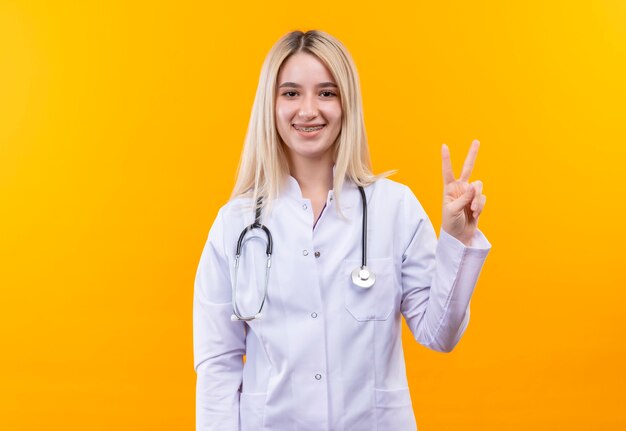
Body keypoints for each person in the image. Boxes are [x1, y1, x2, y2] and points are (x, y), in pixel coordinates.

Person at [193, 29, 491, 431]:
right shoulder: (236, 224)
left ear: (346, 103)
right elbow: (218, 364)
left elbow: (440, 334)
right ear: (271, 104)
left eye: (327, 93)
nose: (309, 110)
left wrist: (457, 237)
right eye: (291, 93)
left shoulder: (394, 208)